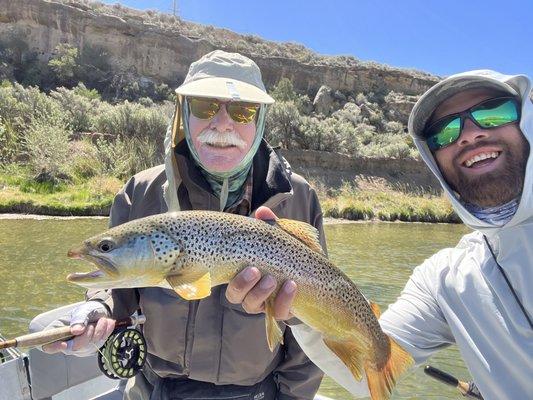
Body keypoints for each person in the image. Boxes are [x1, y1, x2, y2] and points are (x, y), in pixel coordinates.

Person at [41, 50, 325, 400]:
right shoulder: (140, 192)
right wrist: (98, 308)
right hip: (153, 388)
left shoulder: (298, 197)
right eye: (205, 107)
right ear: (182, 113)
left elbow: (317, 321)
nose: (222, 124)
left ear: (261, 119)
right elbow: (121, 290)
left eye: (242, 110)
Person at [243, 70, 533, 400]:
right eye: (444, 132)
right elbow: (372, 371)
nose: (468, 135)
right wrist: (301, 306)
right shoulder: (442, 279)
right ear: (433, 157)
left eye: (492, 113)